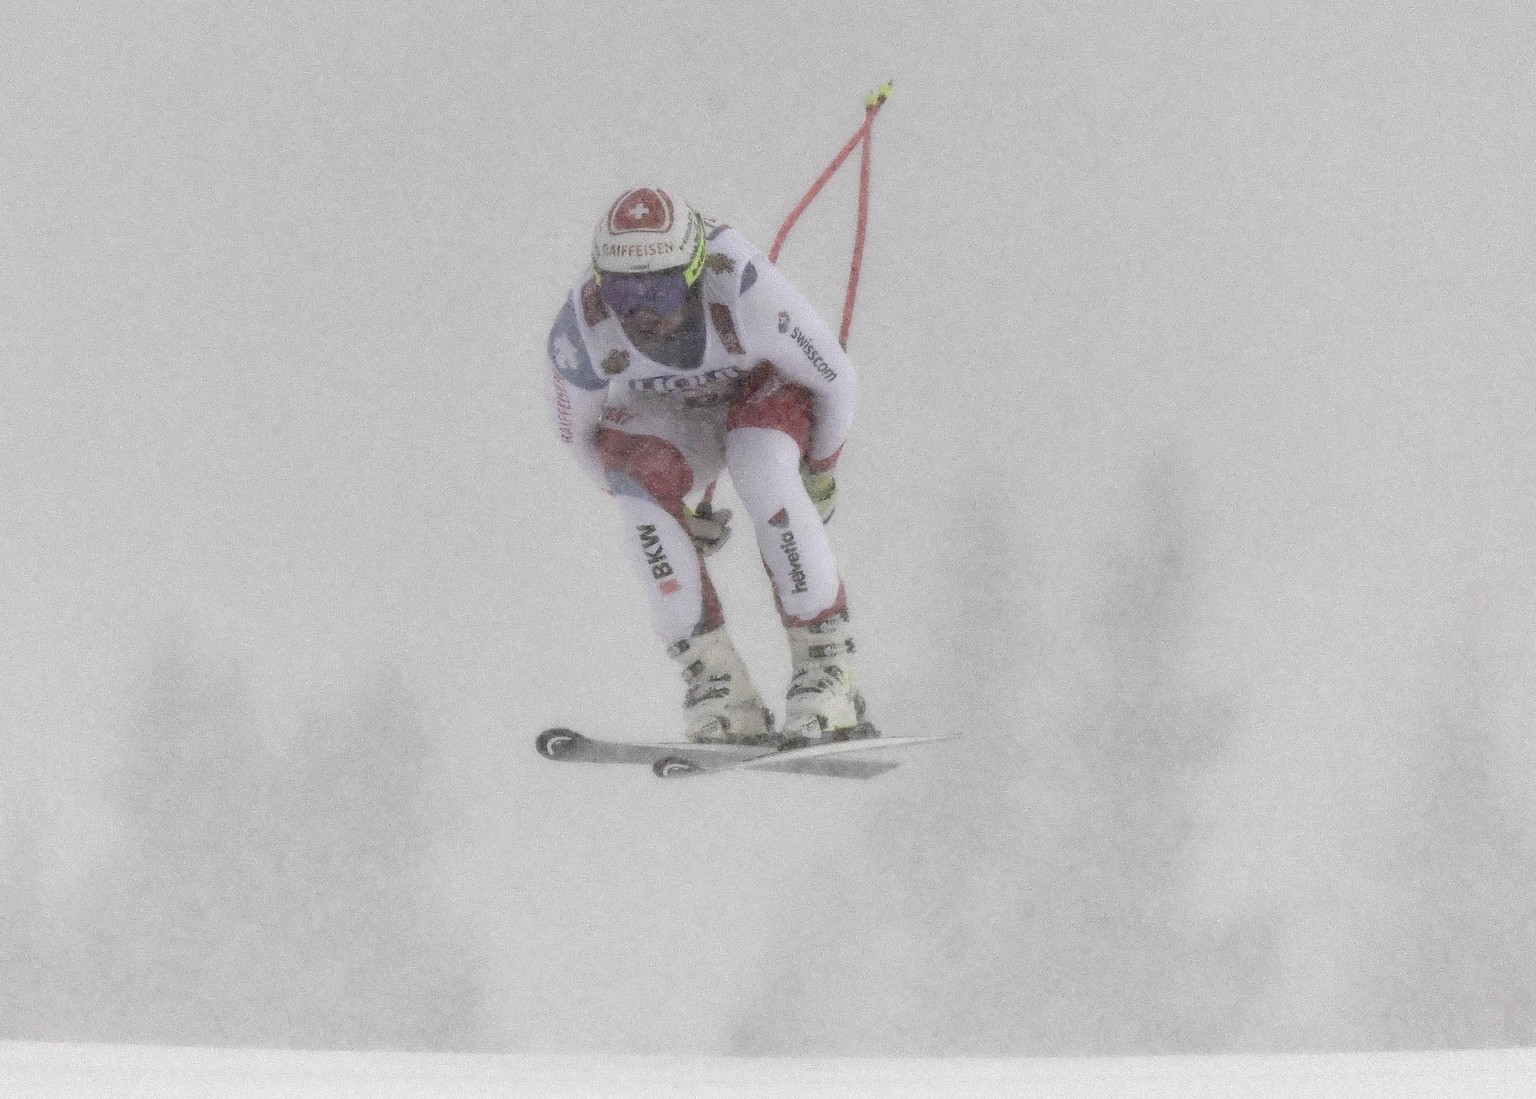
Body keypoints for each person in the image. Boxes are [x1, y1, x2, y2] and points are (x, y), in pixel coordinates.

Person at [545, 185, 869, 748]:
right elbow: (580, 438)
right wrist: (673, 512)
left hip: (762, 393)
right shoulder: (583, 328)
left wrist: (820, 469)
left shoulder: (742, 285)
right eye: (624, 296)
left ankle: (827, 669)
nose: (644, 316)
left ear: (695, 272)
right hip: (676, 418)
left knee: (759, 460)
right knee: (634, 485)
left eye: (663, 291)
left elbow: (835, 379)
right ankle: (718, 685)